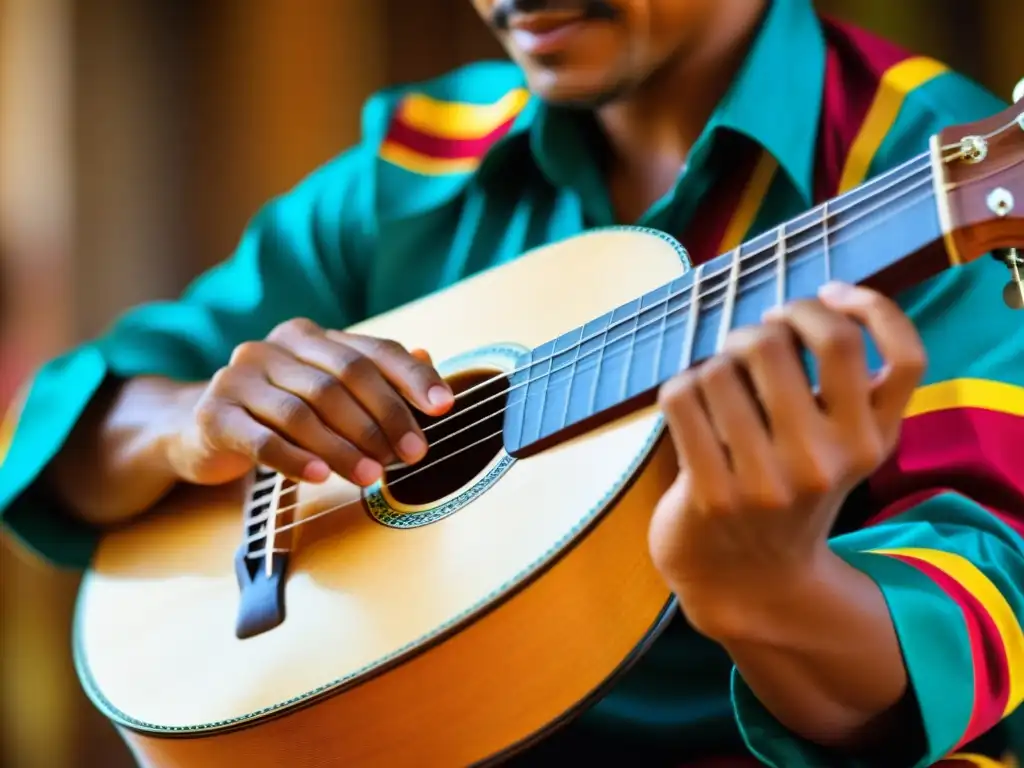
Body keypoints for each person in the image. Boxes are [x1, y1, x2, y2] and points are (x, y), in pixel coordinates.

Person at [1, 0, 1022, 764]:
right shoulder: (419, 160)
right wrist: (189, 425)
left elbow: (979, 637)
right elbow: (45, 434)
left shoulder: (933, 168)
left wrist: (770, 592)